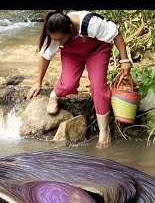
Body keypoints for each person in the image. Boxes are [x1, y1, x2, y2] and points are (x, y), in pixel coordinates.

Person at [26, 10, 132, 149]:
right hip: (72, 53)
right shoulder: (55, 32)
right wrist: (38, 82)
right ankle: (55, 95)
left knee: (98, 87)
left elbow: (116, 34)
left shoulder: (91, 23)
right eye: (55, 40)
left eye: (61, 39)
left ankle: (104, 131)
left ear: (70, 29)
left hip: (97, 50)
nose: (57, 43)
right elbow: (46, 57)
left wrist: (124, 59)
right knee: (68, 85)